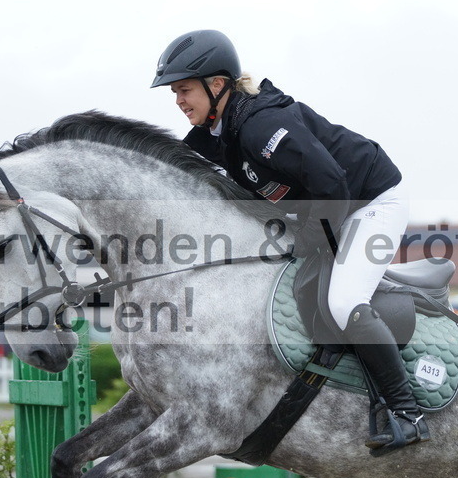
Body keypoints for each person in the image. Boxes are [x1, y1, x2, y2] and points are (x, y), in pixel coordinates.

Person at [151, 29, 429, 455]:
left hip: (371, 201)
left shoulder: (262, 126)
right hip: (334, 205)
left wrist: (310, 238)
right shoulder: (218, 131)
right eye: (175, 93)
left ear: (218, 84)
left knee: (342, 301)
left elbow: (333, 185)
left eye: (185, 90)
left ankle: (407, 413)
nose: (179, 102)